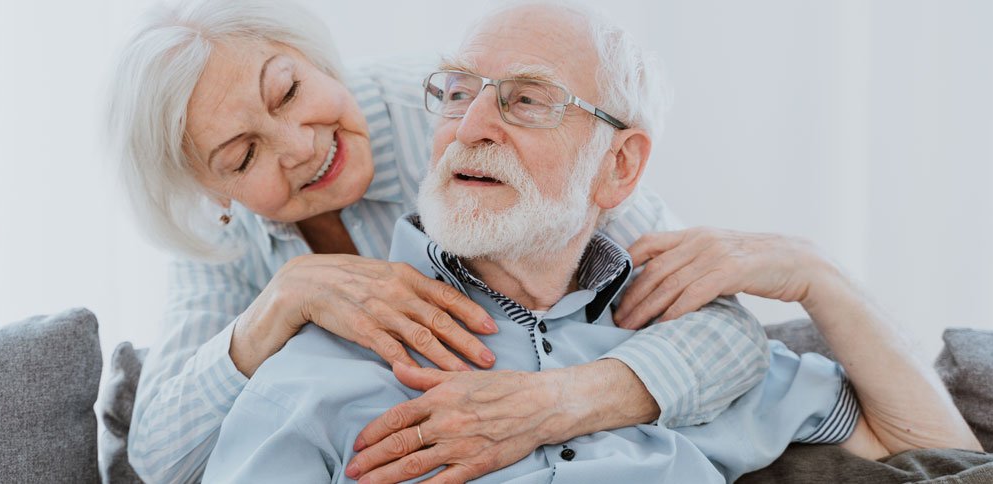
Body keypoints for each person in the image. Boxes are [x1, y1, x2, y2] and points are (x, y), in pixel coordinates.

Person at [201, 3, 983, 482]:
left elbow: (945, 458)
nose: (472, 125)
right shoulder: (315, 376)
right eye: (457, 92)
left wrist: (820, 278)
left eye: (527, 99)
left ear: (619, 165)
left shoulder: (681, 354)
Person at [108, 0, 775, 482]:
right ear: (215, 194)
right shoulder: (224, 243)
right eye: (242, 155)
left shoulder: (456, 112)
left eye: (288, 91)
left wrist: (548, 406)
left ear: (316, 59)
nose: (301, 146)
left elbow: (727, 331)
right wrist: (281, 303)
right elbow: (159, 458)